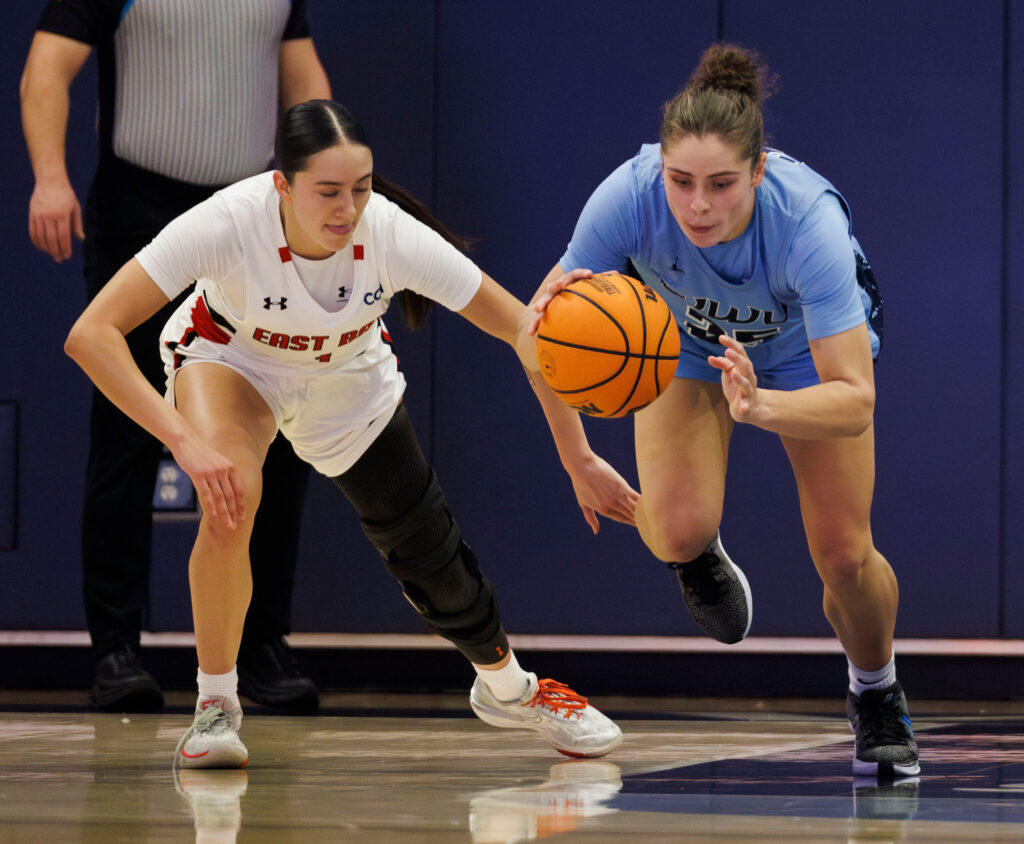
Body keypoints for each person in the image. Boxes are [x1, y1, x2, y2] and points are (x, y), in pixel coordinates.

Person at [64, 99, 628, 767]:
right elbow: (90, 336)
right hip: (233, 362)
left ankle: (510, 689)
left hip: (345, 373)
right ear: (283, 186)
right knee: (232, 493)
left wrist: (578, 457)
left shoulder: (387, 234)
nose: (347, 207)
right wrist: (184, 443)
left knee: (428, 551)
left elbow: (528, 338)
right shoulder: (228, 223)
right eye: (327, 192)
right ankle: (216, 709)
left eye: (359, 189)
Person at [524, 44, 918, 780]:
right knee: (674, 530)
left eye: (722, 185)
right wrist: (578, 458)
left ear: (759, 172)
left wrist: (763, 404)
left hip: (802, 361)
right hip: (685, 346)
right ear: (659, 171)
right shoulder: (628, 198)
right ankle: (697, 554)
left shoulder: (809, 225)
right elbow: (533, 331)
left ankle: (876, 689)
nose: (698, 205)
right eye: (681, 182)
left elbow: (856, 401)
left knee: (844, 558)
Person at [20, 0, 331, 711]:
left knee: (270, 429)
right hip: (141, 207)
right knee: (128, 426)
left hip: (255, 211)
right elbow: (46, 70)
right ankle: (117, 650)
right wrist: (49, 176)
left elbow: (305, 84)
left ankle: (259, 645)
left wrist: (319, 189)